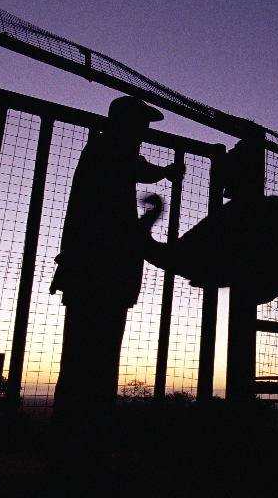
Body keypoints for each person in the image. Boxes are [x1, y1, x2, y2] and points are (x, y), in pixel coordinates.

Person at [48, 96, 184, 470]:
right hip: (98, 277)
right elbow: (138, 170)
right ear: (126, 124)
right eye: (141, 125)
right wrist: (165, 178)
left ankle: (79, 451)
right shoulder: (109, 150)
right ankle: (77, 453)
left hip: (98, 277)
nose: (145, 133)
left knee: (89, 363)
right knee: (89, 365)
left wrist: (152, 204)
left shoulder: (106, 155)